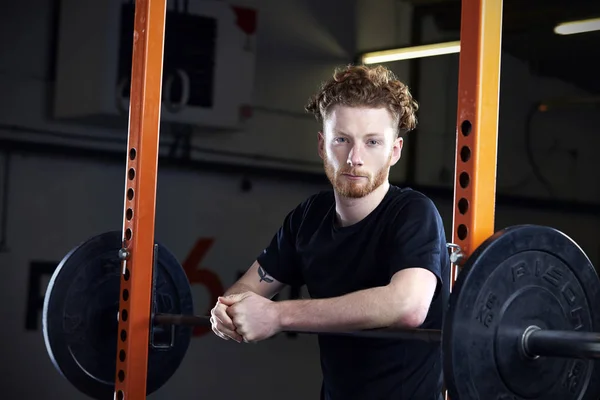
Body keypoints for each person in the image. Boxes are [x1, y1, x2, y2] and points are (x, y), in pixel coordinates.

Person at [210, 64, 451, 400]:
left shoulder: (412, 213)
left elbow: (408, 305)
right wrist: (227, 311)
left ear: (394, 151)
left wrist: (278, 316)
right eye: (342, 140)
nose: (354, 158)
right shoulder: (309, 218)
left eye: (372, 142)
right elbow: (245, 291)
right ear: (323, 146)